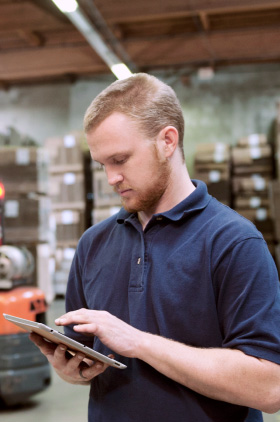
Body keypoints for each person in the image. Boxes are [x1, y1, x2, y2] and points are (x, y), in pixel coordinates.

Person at [30, 73, 280, 421]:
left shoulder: (234, 242)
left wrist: (139, 342)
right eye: (103, 165)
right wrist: (71, 370)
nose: (110, 178)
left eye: (120, 159)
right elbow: (86, 352)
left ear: (167, 141)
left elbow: (269, 387)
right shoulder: (93, 244)